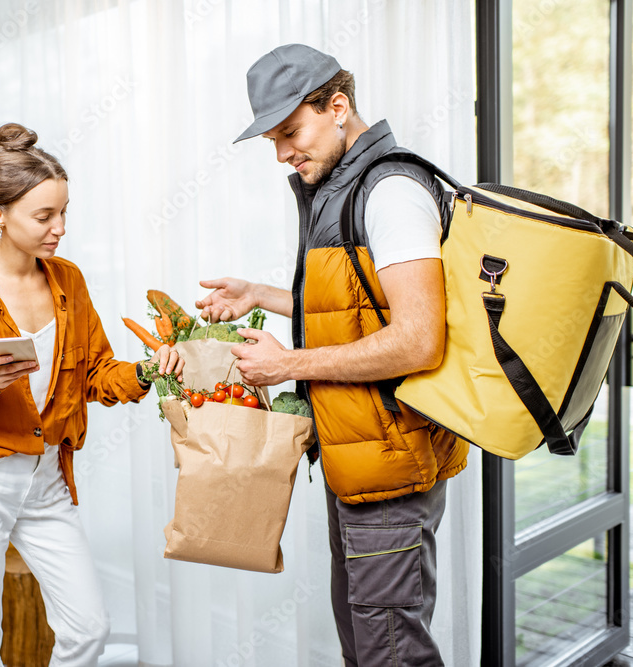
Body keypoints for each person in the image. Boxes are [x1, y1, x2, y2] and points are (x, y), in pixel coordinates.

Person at [196, 45, 468, 666]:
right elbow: (362, 311)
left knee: (389, 654)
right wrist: (261, 294)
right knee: (365, 644)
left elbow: (418, 339)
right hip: (359, 460)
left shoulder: (391, 191)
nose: (282, 154)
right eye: (273, 139)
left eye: (290, 132)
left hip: (390, 467)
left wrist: (286, 365)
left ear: (337, 106)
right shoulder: (343, 186)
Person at [0, 122, 183, 667]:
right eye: (44, 216)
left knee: (89, 628)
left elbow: (99, 372)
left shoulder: (68, 281)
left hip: (47, 485)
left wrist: (149, 371)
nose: (59, 228)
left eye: (63, 213)